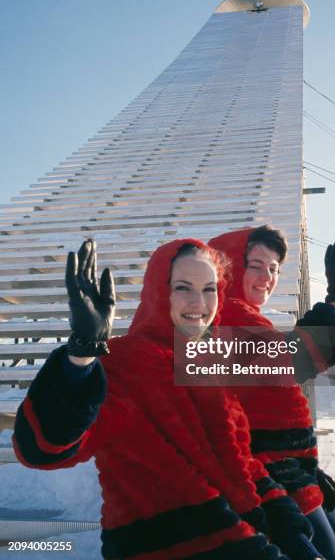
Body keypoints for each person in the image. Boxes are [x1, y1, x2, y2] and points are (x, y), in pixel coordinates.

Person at [13, 237, 301, 559]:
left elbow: (240, 460)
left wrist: (287, 523)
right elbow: (42, 449)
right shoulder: (126, 361)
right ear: (157, 292)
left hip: (243, 539)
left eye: (209, 289)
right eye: (182, 288)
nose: (198, 302)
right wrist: (80, 358)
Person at [209, 226, 335, 560]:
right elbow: (294, 359)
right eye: (256, 264)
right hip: (269, 481)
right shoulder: (226, 316)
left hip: (287, 473)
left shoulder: (241, 316)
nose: (267, 276)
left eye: (274, 268)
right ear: (229, 265)